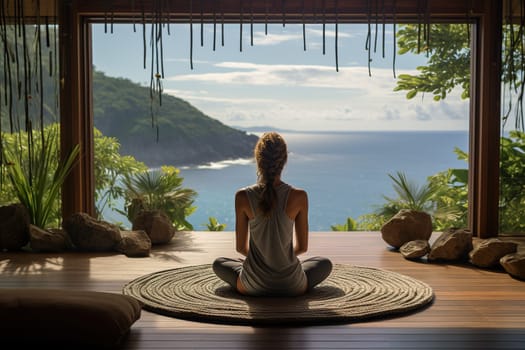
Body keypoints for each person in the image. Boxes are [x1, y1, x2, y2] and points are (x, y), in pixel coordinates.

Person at [213, 131, 332, 296]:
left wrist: (262, 259)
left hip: (251, 286)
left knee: (219, 263)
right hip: (292, 286)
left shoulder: (242, 196)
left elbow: (241, 248)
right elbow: (302, 247)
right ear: (284, 160)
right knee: (323, 263)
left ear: (258, 159)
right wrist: (279, 258)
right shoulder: (299, 196)